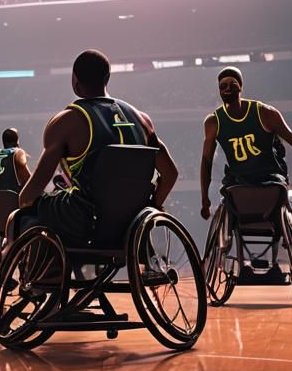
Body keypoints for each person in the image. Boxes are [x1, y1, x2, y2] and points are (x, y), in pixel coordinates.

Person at [16, 50, 178, 244]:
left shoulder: (67, 121)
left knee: (23, 214)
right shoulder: (142, 119)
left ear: (75, 80)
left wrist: (22, 200)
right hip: (134, 220)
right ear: (107, 78)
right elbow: (170, 175)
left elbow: (33, 190)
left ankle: (43, 272)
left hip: (85, 220)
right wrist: (152, 205)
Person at [200, 66, 292, 220]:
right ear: (218, 90)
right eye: (222, 86)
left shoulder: (265, 113)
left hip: (269, 176)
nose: (227, 89)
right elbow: (206, 161)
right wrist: (204, 199)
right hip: (239, 179)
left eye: (232, 84)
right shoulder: (213, 121)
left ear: (240, 87)